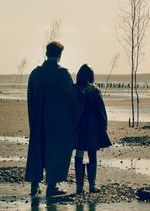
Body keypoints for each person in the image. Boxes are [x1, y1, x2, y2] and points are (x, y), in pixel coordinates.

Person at [25, 41, 80, 197]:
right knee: (56, 152)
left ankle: (34, 186)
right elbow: (71, 98)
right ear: (59, 55)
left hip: (37, 121)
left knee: (37, 151)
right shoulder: (62, 74)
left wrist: (33, 119)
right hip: (57, 123)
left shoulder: (35, 74)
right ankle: (52, 186)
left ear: (46, 53)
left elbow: (30, 98)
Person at [74, 64, 112, 194]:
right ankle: (92, 185)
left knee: (78, 155)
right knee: (92, 156)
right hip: (92, 130)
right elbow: (101, 111)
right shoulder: (94, 91)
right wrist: (103, 127)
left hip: (79, 129)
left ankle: (79, 187)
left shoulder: (75, 90)